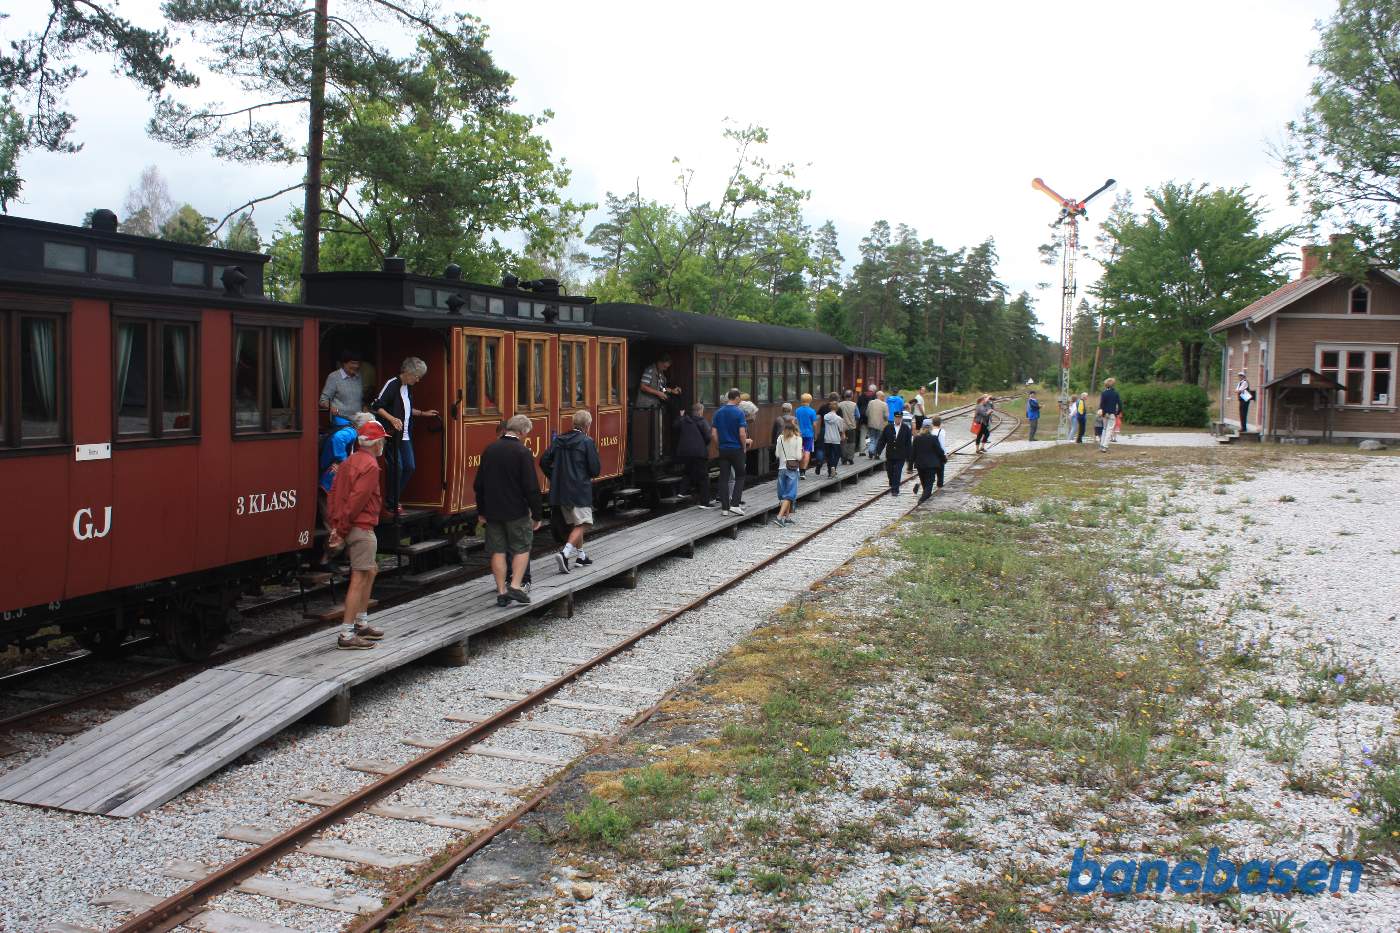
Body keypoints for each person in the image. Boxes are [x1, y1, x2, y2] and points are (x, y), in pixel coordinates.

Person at [326, 420, 389, 649]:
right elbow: (356, 501)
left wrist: (335, 524)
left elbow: (333, 494)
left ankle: (361, 623)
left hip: (349, 524)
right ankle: (346, 634)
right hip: (360, 527)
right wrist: (341, 530)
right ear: (377, 443)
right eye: (382, 440)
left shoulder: (348, 461)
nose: (383, 444)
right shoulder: (371, 466)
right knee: (359, 577)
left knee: (371, 570)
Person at [474, 414, 543, 606]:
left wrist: (481, 510)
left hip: (493, 511)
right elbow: (531, 487)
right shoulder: (522, 452)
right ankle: (515, 585)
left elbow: (478, 484)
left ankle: (502, 591)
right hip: (516, 511)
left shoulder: (490, 449)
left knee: (498, 550)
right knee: (521, 547)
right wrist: (537, 514)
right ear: (522, 432)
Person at [374, 357, 438, 516]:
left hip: (405, 434)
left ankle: (393, 499)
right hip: (392, 434)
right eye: (417, 376)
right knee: (398, 467)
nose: (418, 380)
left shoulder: (407, 387)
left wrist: (423, 413)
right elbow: (377, 406)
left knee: (410, 467)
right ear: (408, 372)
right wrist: (392, 419)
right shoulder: (392, 384)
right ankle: (390, 503)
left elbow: (406, 409)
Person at [541, 409, 602, 574]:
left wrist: (555, 477)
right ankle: (565, 553)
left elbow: (544, 460)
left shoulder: (559, 440)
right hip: (579, 490)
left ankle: (581, 556)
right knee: (584, 523)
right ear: (587, 425)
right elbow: (595, 470)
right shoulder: (587, 442)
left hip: (561, 491)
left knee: (575, 524)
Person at [315, 412, 372, 570]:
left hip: (334, 484)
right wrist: (343, 461)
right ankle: (325, 560)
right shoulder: (351, 432)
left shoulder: (350, 430)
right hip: (329, 484)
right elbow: (337, 439)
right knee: (332, 521)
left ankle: (340, 556)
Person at [712, 389, 751, 515]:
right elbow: (742, 433)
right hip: (736, 449)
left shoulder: (718, 412)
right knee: (740, 475)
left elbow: (713, 433)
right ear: (737, 398)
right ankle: (735, 504)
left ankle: (724, 508)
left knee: (723, 477)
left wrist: (719, 446)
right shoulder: (738, 412)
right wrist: (743, 446)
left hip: (723, 449)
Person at [674, 402, 716, 509]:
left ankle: (682, 491)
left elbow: (675, 426)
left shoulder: (684, 420)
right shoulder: (702, 421)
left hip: (685, 453)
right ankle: (704, 503)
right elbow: (708, 436)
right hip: (699, 453)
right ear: (701, 411)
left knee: (688, 470)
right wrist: (702, 445)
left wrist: (681, 416)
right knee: (703, 477)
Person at [320, 349, 364, 427]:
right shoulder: (334, 377)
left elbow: (358, 399)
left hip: (357, 421)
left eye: (358, 363)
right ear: (344, 363)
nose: (356, 366)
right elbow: (323, 400)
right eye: (353, 363)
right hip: (340, 420)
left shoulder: (358, 377)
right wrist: (332, 408)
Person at [876, 409, 913, 495]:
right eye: (897, 418)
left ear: (902, 418)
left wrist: (910, 457)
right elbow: (882, 440)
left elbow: (908, 443)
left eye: (900, 418)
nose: (898, 419)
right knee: (890, 471)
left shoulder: (906, 428)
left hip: (901, 455)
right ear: (894, 418)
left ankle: (895, 490)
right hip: (890, 454)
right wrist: (878, 451)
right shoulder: (888, 428)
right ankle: (892, 483)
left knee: (897, 471)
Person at [774, 417, 803, 526]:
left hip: (781, 468)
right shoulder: (798, 439)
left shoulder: (780, 438)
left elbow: (777, 454)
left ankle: (787, 517)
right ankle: (779, 517)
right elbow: (799, 457)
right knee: (790, 494)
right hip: (793, 469)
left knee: (784, 494)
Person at [910, 421, 947, 504]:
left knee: (924, 483)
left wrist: (909, 466)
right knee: (929, 483)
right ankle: (922, 499)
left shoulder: (917, 438)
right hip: (931, 465)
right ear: (931, 428)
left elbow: (912, 453)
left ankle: (925, 496)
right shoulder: (933, 438)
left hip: (920, 465)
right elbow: (939, 451)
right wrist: (943, 459)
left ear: (922, 428)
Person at [794, 393, 818, 478]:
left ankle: (798, 469)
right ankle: (803, 472)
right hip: (809, 434)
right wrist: (815, 434)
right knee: (807, 451)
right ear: (810, 400)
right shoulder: (812, 411)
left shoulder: (797, 410)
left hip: (798, 434)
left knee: (800, 450)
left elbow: (795, 422)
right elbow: (814, 424)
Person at [821, 394, 844, 478]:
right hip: (836, 439)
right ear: (837, 408)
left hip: (827, 438)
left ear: (830, 407)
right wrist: (843, 435)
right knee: (837, 454)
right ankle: (833, 467)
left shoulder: (825, 416)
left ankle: (830, 471)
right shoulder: (839, 419)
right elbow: (841, 430)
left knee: (829, 455)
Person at [1098, 378, 1122, 449]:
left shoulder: (1104, 393)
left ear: (1106, 385)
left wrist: (1103, 413)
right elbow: (1120, 404)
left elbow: (1102, 405)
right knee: (1110, 429)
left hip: (1105, 414)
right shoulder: (1115, 393)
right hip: (1112, 414)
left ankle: (1101, 444)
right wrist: (1117, 413)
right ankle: (1105, 445)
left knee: (1104, 429)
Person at [837, 390, 859, 464]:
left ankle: (844, 458)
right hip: (851, 427)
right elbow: (858, 416)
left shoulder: (839, 404)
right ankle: (850, 458)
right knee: (851, 443)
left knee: (843, 443)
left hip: (842, 427)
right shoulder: (854, 405)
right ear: (851, 396)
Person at [865, 390, 889, 457]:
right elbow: (886, 416)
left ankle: (870, 451)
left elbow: (867, 413)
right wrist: (885, 420)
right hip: (880, 425)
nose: (884, 398)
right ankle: (875, 453)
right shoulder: (884, 404)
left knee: (872, 438)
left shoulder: (870, 402)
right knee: (878, 439)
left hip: (870, 424)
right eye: (883, 396)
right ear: (880, 396)